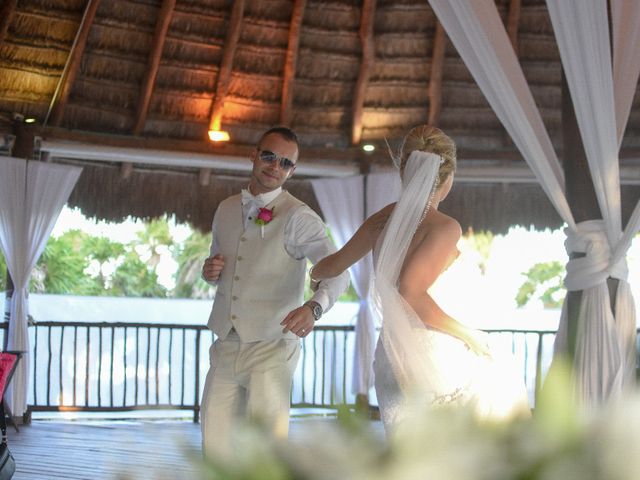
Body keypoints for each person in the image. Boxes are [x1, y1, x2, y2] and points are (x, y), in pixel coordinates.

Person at [309, 125, 530, 434]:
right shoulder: (446, 227)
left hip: (391, 358)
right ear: (448, 177)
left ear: (405, 172)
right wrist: (469, 335)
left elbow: (332, 265)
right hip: (434, 360)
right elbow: (411, 292)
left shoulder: (384, 218)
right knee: (499, 382)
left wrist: (313, 275)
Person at [200, 126, 349, 458]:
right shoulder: (225, 208)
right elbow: (221, 266)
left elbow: (338, 271)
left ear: (291, 170)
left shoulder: (299, 216)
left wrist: (314, 308)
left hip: (271, 346)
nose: (275, 167)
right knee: (214, 444)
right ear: (253, 155)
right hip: (226, 343)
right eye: (269, 156)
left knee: (264, 452)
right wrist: (209, 272)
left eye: (285, 163)